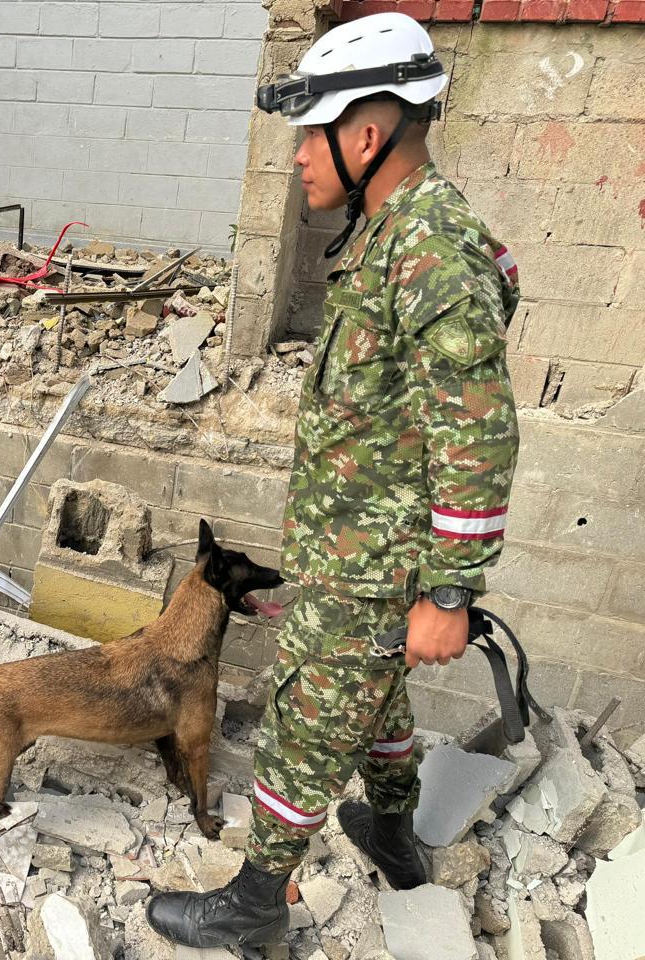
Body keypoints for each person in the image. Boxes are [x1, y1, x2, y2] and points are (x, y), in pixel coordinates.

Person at [147, 13, 520, 948]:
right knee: (380, 704)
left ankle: (254, 905)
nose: (300, 157)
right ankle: (394, 833)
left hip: (374, 571)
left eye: (311, 134)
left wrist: (448, 590)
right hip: (358, 554)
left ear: (365, 135)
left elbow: (479, 427)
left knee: (304, 722)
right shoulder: (387, 234)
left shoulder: (428, 246)